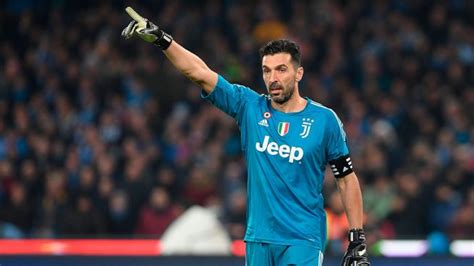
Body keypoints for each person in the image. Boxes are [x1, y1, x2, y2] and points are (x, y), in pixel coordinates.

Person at [121, 7, 370, 266]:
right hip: (258, 239)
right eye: (267, 70)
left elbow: (346, 179)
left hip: (302, 239)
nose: (273, 78)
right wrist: (163, 40)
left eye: (281, 69)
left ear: (299, 73)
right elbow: (199, 73)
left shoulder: (325, 120)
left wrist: (357, 238)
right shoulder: (249, 107)